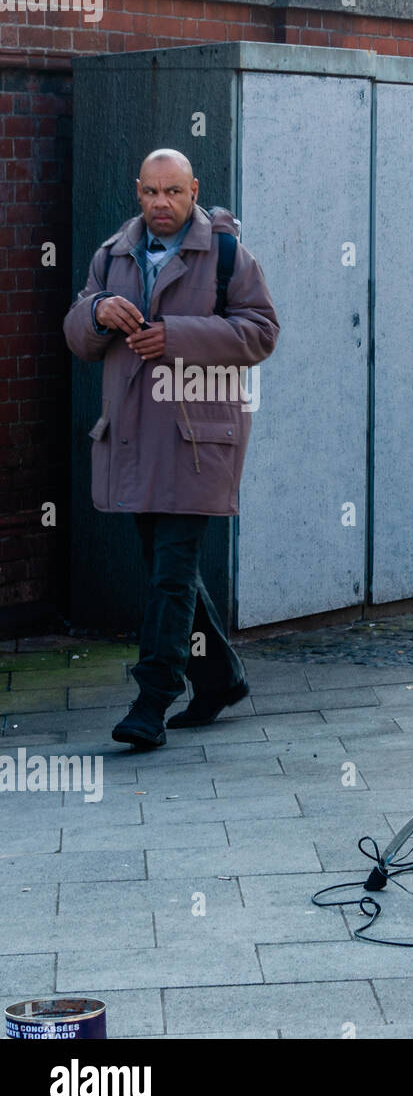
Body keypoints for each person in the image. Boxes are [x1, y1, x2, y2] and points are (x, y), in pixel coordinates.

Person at [63, 149, 279, 750]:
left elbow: (262, 331)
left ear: (194, 191)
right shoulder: (112, 254)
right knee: (167, 570)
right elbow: (77, 332)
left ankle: (152, 698)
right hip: (132, 440)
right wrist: (99, 312)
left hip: (197, 443)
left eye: (174, 192)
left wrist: (177, 337)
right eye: (152, 192)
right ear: (139, 191)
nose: (162, 203)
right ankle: (220, 676)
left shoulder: (228, 255)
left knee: (170, 575)